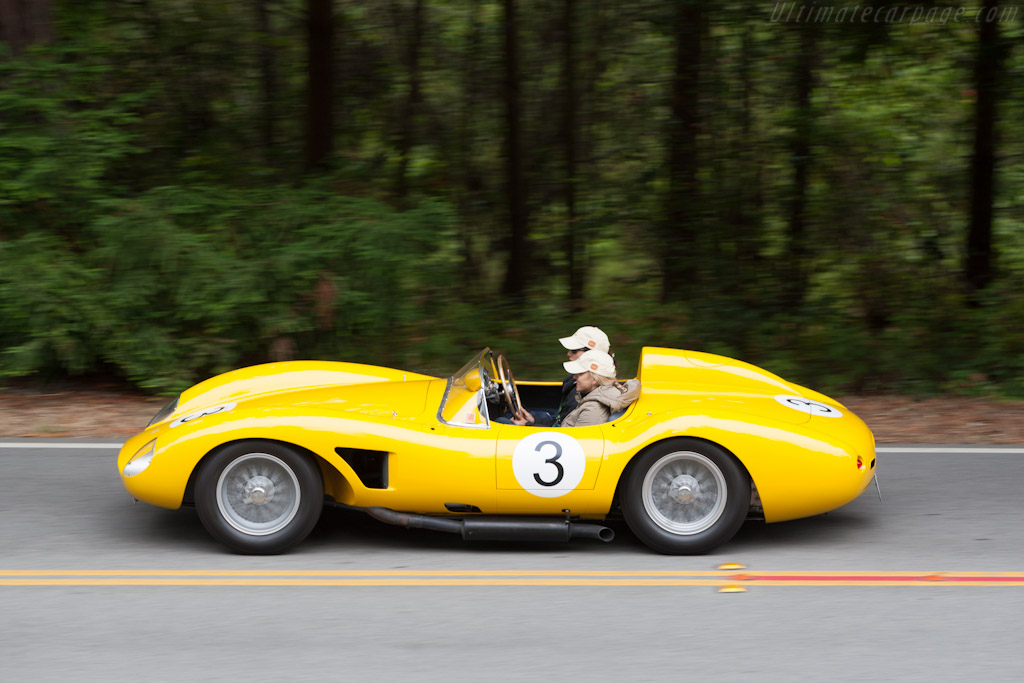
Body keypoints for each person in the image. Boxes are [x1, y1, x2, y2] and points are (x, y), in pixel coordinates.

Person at [514, 349, 640, 428]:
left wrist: (528, 426)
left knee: (505, 422)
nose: (574, 377)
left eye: (579, 374)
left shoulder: (594, 408)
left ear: (594, 379)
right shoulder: (592, 397)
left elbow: (574, 445)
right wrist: (533, 421)